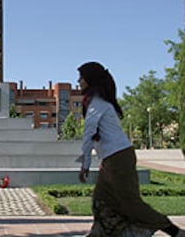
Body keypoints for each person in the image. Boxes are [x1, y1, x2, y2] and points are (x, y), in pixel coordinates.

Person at [76, 61, 185, 237]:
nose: (78, 81)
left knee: (130, 203)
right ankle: (99, 233)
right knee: (101, 200)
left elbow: (88, 132)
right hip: (113, 158)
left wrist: (85, 164)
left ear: (90, 79)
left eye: (81, 77)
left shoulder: (98, 104)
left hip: (118, 158)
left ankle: (174, 231)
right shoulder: (96, 102)